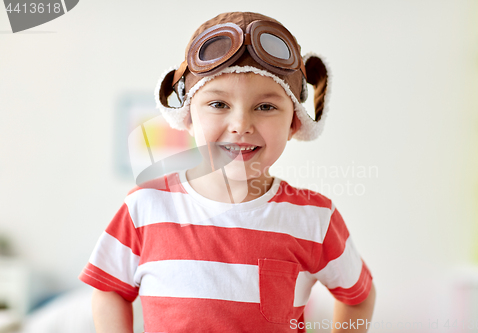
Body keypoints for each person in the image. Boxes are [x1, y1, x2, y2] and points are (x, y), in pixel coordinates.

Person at [79, 11, 376, 333]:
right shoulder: (145, 206)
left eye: (265, 107)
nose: (240, 126)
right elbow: (110, 290)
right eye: (219, 104)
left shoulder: (315, 218)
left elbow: (358, 296)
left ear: (294, 122)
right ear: (188, 117)